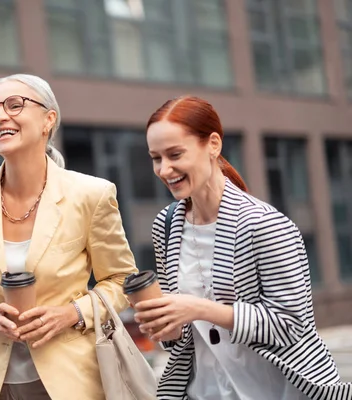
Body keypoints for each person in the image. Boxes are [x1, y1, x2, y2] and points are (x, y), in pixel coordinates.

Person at [134, 95, 351, 400]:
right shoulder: (166, 225)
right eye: (156, 158)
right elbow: (184, 339)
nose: (164, 169)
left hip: (277, 390)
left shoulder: (264, 224)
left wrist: (197, 308)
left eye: (175, 154)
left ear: (213, 144)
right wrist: (165, 325)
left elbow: (290, 325)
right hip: (204, 391)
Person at [0, 73, 138, 399]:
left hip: (71, 381)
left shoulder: (91, 194)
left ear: (48, 120)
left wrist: (71, 313)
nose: (0, 116)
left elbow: (120, 281)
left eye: (15, 105)